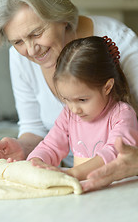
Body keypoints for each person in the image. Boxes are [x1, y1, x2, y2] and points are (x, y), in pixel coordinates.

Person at [0, 0, 138, 177]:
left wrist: (75, 173)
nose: (31, 50)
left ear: (61, 17)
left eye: (37, 33)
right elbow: (41, 133)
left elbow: (117, 149)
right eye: (18, 42)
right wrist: (25, 151)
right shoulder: (20, 58)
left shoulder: (120, 42)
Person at [26, 36, 138, 181]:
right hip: (84, 193)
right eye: (66, 100)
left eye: (82, 100)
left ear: (107, 87)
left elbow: (114, 153)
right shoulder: (68, 115)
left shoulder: (122, 115)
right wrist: (35, 162)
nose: (74, 109)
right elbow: (50, 146)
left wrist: (74, 173)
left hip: (117, 193)